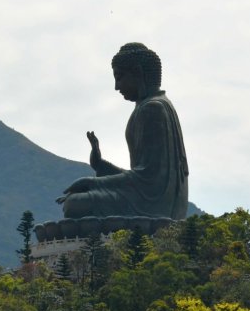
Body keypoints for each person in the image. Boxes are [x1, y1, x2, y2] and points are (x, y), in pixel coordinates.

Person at [57, 43, 188, 220]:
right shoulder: (155, 106)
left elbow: (148, 180)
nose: (117, 87)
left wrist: (93, 183)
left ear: (138, 72)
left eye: (119, 77)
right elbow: (143, 176)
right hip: (150, 201)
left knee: (74, 204)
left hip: (152, 208)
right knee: (74, 202)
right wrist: (101, 165)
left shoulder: (153, 109)